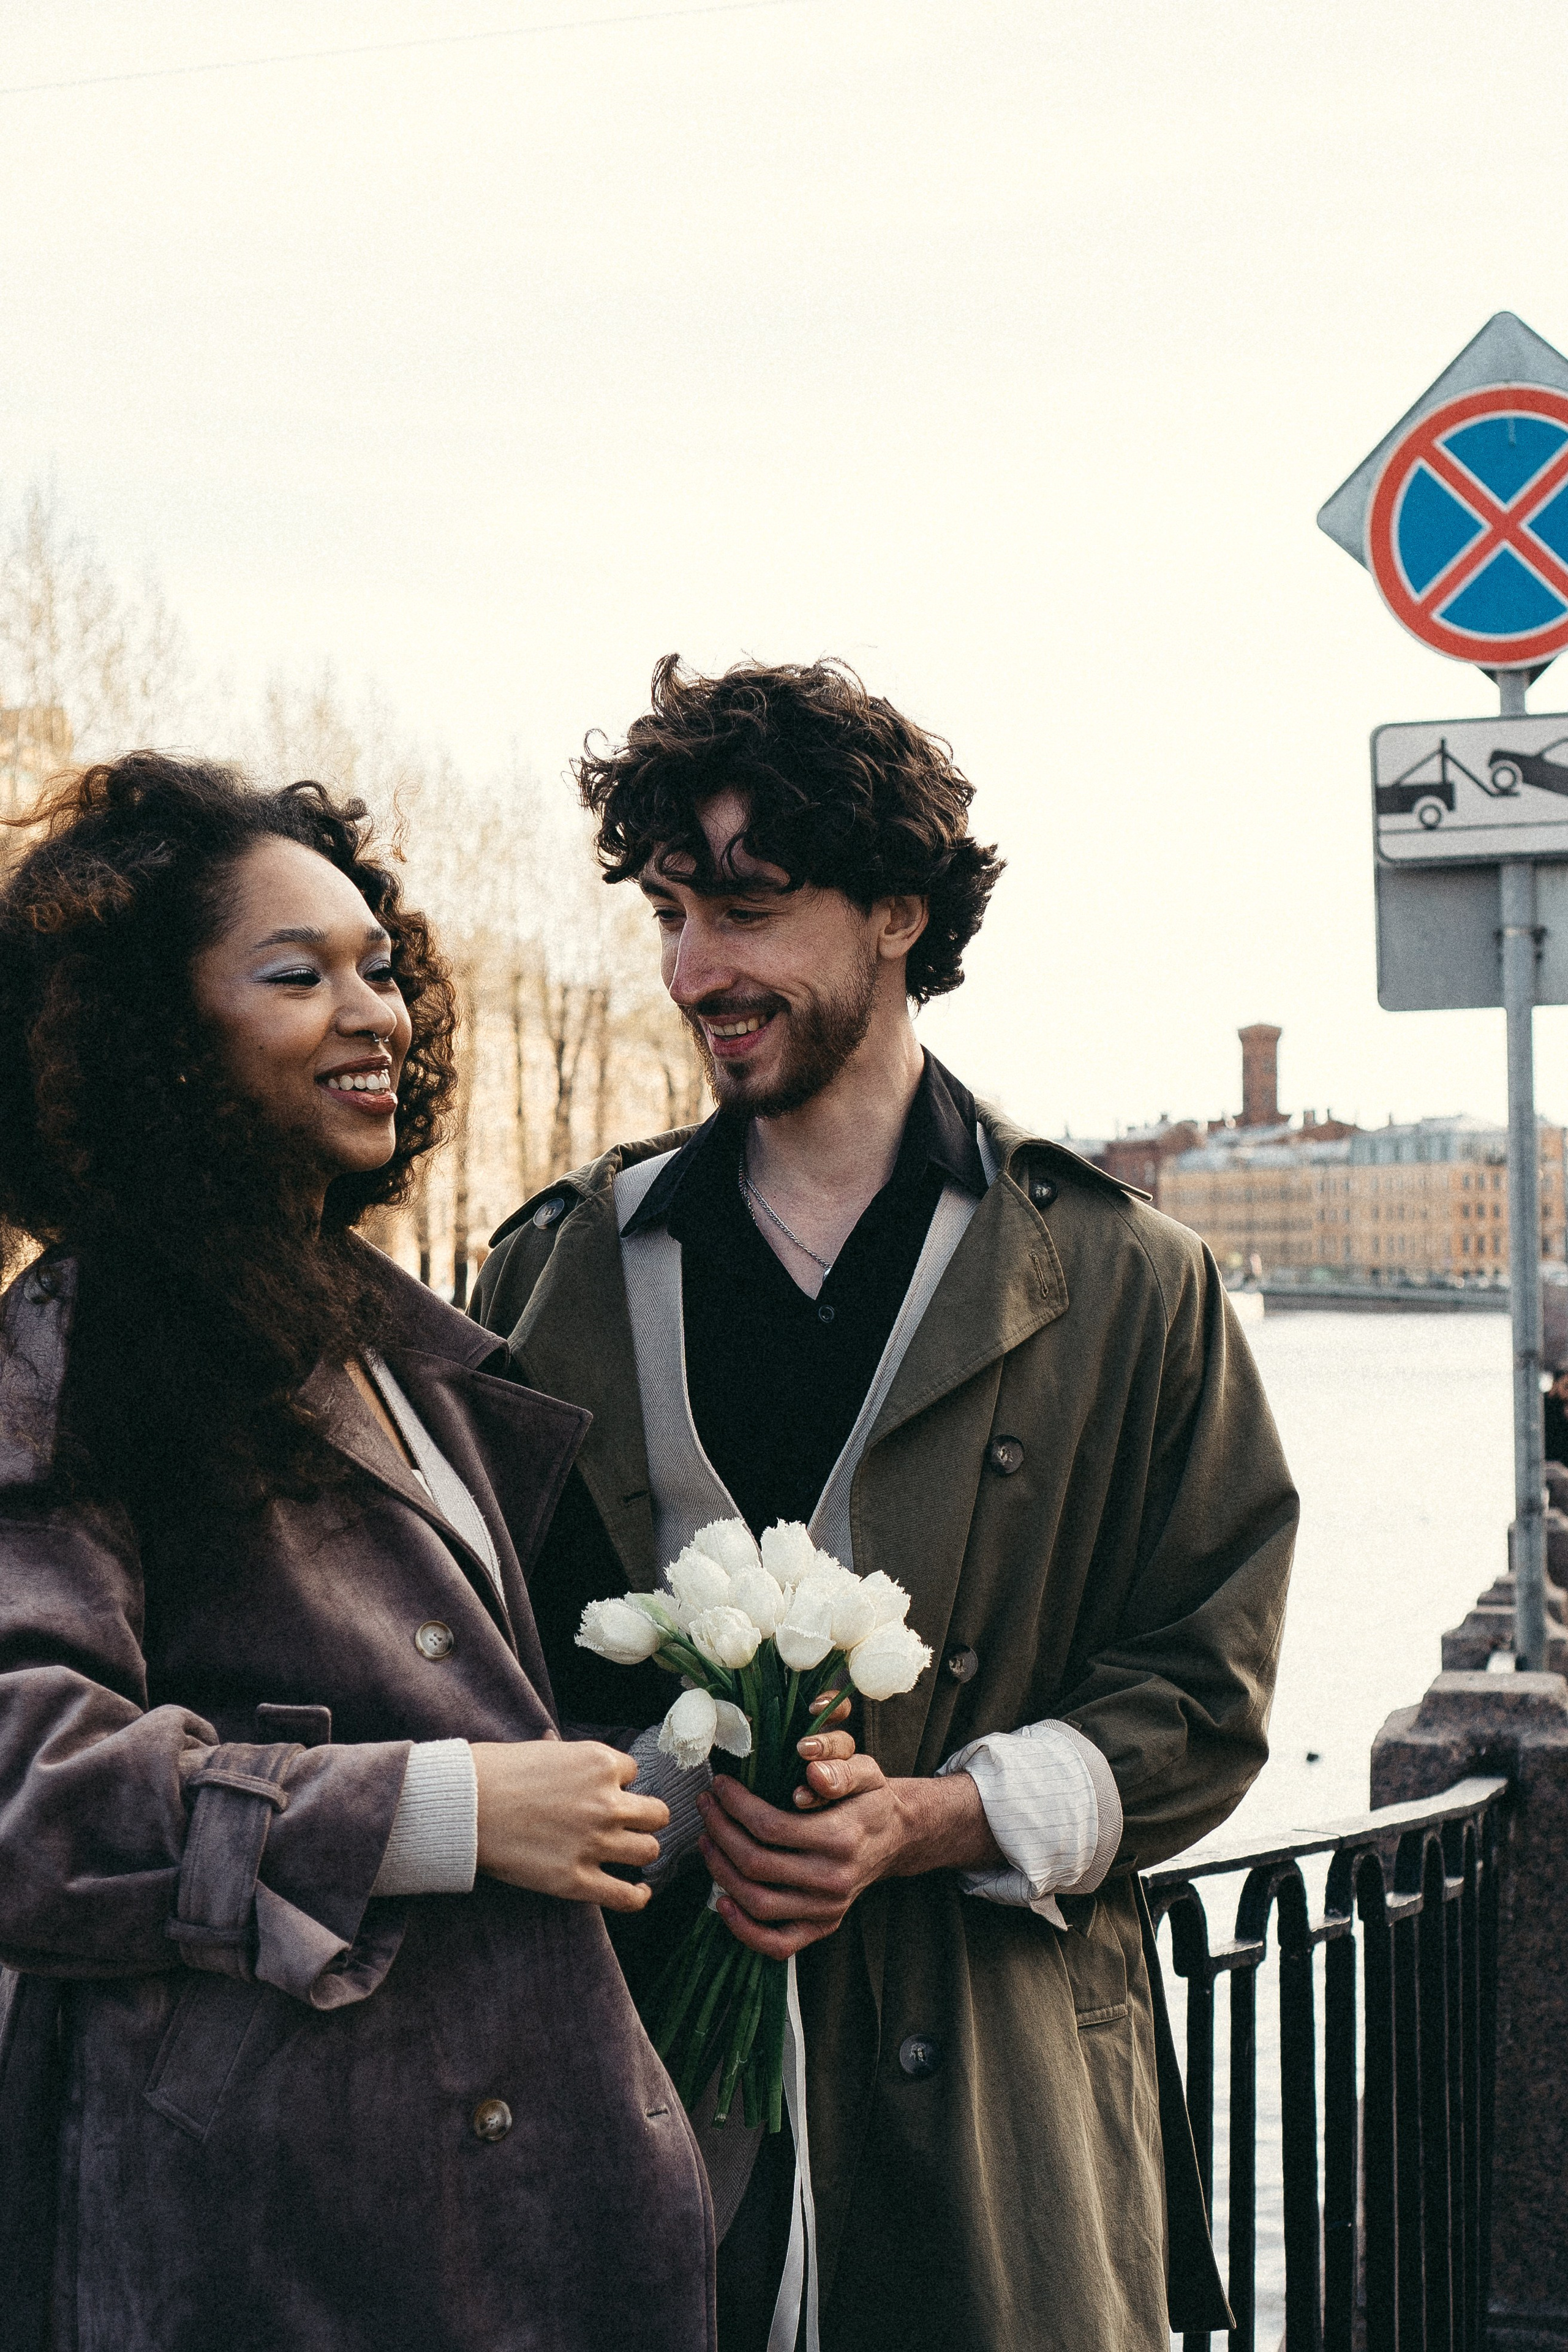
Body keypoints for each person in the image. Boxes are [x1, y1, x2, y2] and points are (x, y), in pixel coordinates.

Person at [474, 656, 1300, 2352]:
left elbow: (1207, 1696)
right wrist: (648, 1796)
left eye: (752, 911)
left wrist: (923, 1821)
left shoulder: (1136, 1286)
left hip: (1000, 2131)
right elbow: (476, 1676)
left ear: (901, 915)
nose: (699, 971)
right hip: (625, 2101)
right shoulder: (549, 1275)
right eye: (672, 915)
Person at [0, 755, 731, 2352]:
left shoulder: (406, 1354)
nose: (375, 1012)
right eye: (297, 974)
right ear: (148, 1030)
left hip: (544, 2204)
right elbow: (27, 1799)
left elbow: (510, 1745)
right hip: (284, 2252)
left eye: (382, 969)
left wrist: (707, 1771)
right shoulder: (69, 1352)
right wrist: (444, 1812)